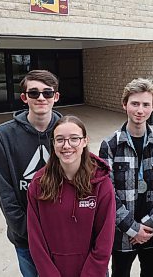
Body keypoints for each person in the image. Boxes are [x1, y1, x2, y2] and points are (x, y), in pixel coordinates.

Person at [99, 78, 153, 277]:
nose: (140, 110)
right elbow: (107, 195)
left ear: (152, 107)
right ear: (125, 105)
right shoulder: (110, 145)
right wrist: (133, 229)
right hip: (122, 234)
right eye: (135, 103)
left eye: (146, 104)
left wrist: (147, 226)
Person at [0, 70, 62, 277]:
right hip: (26, 238)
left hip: (64, 234)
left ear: (55, 97)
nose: (41, 98)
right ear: (24, 98)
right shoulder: (3, 135)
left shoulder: (69, 130)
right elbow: (5, 192)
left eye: (47, 93)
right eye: (34, 93)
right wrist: (26, 231)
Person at [27, 115, 116, 277]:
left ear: (85, 141)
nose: (66, 145)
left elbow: (105, 239)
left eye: (74, 139)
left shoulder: (101, 184)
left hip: (93, 272)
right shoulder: (39, 184)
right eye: (60, 139)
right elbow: (35, 239)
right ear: (53, 144)